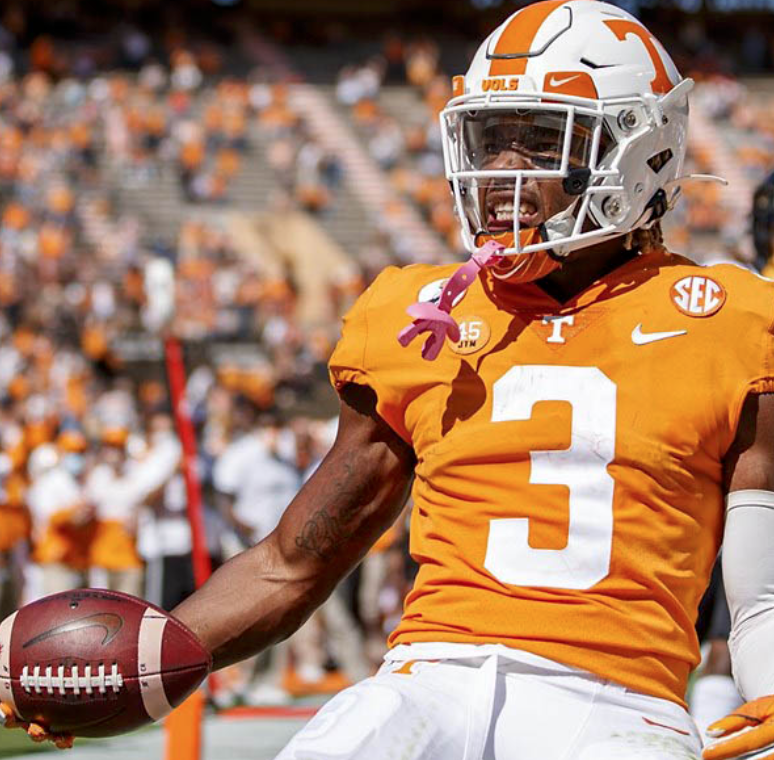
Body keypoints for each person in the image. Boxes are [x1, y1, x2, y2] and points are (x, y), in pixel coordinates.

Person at [6, 3, 774, 759]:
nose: (501, 171)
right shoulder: (417, 315)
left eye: (538, 141)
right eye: (490, 139)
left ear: (644, 152)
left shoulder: (733, 319)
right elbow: (293, 561)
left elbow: (761, 597)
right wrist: (145, 665)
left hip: (617, 700)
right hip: (428, 679)